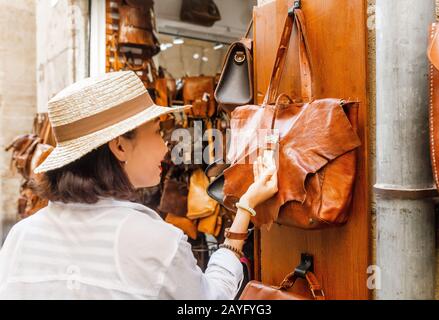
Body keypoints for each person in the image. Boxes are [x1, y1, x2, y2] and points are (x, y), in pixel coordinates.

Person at [0, 71, 278, 299]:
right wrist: (246, 209)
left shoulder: (22, 237)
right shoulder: (152, 241)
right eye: (157, 132)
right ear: (120, 146)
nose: (166, 146)